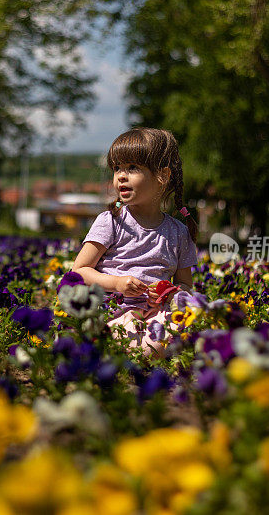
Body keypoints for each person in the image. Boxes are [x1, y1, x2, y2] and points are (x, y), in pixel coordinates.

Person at [71, 128, 199, 357]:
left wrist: (170, 293)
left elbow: (185, 286)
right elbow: (79, 271)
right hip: (113, 314)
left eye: (132, 168)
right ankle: (139, 350)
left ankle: (145, 349)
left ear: (163, 176)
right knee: (153, 344)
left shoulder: (178, 232)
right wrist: (117, 284)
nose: (121, 175)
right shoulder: (111, 221)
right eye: (117, 168)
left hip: (157, 317)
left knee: (199, 310)